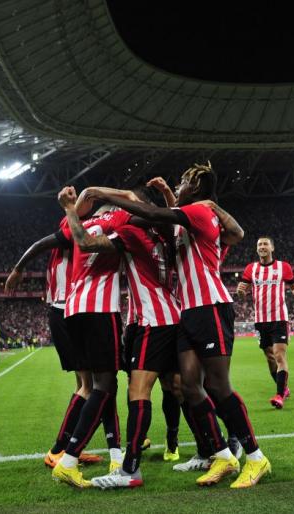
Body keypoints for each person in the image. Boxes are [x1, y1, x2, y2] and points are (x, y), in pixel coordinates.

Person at [84, 163, 271, 489]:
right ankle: (224, 455)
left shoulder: (199, 210)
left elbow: (155, 215)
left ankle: (255, 458)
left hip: (211, 306)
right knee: (189, 386)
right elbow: (175, 220)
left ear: (196, 188)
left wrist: (108, 198)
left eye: (183, 180)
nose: (178, 183)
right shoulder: (189, 218)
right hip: (188, 313)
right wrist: (167, 198)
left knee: (218, 387)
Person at [64, 187, 181, 489]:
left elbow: (86, 242)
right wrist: (166, 194)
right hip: (171, 316)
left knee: (137, 391)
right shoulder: (167, 233)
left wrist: (80, 202)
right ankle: (222, 448)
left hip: (151, 321)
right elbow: (159, 208)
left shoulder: (129, 233)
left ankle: (129, 469)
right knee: (182, 386)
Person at [5, 215, 105, 470]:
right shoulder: (71, 236)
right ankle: (59, 449)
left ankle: (73, 446)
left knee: (83, 383)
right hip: (67, 310)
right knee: (90, 387)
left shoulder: (60, 249)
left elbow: (41, 247)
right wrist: (18, 269)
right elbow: (39, 244)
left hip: (60, 310)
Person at [50, 187, 133, 488]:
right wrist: (105, 194)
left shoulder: (74, 222)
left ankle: (106, 453)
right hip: (99, 309)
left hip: (73, 309)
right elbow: (133, 203)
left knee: (99, 385)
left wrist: (72, 206)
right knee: (105, 385)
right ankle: (69, 459)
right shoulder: (119, 219)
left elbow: (73, 234)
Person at [236, 236, 294, 409]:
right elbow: (242, 291)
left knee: (279, 355)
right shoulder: (250, 269)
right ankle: (283, 388)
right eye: (259, 244)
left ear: (272, 248)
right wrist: (240, 292)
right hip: (260, 320)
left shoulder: (284, 267)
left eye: (265, 244)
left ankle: (279, 395)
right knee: (269, 357)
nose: (262, 246)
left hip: (279, 318)